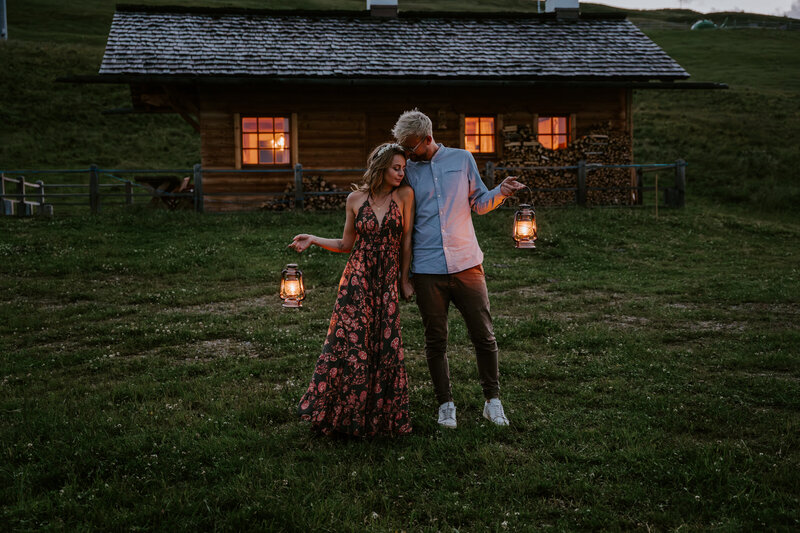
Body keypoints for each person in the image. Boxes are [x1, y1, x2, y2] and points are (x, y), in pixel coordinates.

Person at [392, 109, 525, 429]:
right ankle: (445, 404)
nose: (408, 155)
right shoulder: (407, 171)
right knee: (435, 340)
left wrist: (501, 193)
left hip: (468, 264)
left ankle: (492, 401)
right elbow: (402, 224)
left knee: (484, 336)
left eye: (412, 147)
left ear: (427, 138)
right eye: (404, 149)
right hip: (427, 270)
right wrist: (403, 275)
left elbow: (479, 202)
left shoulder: (463, 159)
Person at [290, 143, 415, 437]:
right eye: (396, 168)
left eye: (403, 168)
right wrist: (313, 238)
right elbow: (346, 245)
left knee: (385, 346)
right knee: (351, 346)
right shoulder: (355, 199)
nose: (401, 173)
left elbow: (406, 240)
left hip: (386, 282)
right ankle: (344, 416)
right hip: (357, 280)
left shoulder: (406, 196)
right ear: (381, 167)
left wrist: (403, 279)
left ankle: (380, 419)